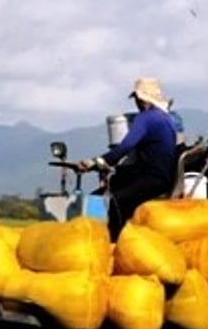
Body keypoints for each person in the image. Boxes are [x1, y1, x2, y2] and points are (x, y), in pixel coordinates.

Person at [77, 77, 180, 241]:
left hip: (153, 178)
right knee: (107, 187)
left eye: (136, 99)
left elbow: (125, 147)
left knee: (115, 201)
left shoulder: (146, 118)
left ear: (140, 99)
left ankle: (114, 242)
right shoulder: (166, 118)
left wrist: (95, 163)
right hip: (162, 176)